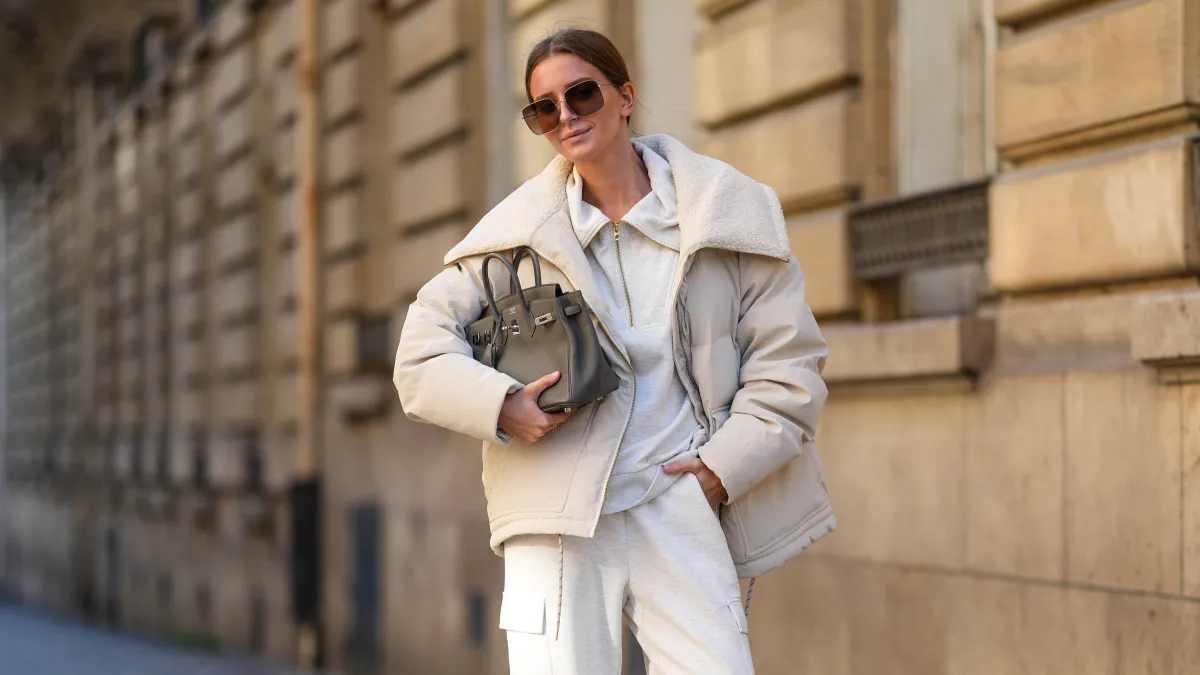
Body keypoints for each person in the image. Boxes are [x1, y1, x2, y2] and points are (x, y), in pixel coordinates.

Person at [393, 28, 834, 675]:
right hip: (556, 516)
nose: (566, 116)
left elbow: (790, 368)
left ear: (625, 96)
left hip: (676, 501)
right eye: (546, 107)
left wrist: (718, 470)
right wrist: (503, 405)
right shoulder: (514, 239)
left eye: (581, 94)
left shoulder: (727, 218)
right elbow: (419, 358)